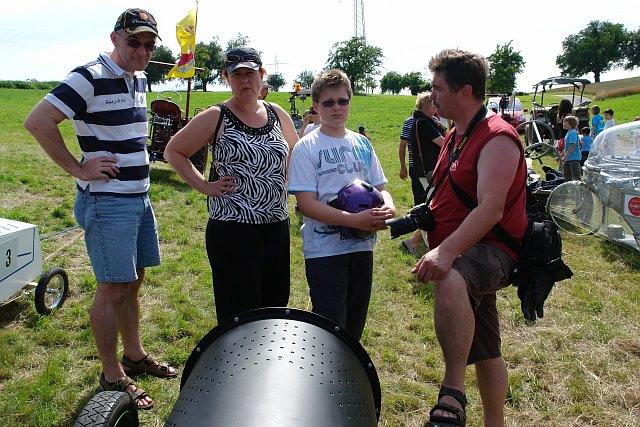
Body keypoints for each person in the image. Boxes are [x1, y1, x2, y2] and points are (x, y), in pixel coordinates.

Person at [23, 8, 174, 410]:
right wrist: (78, 168)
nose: (142, 51)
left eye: (149, 45)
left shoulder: (139, 77)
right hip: (108, 203)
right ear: (114, 38)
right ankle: (112, 374)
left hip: (138, 197)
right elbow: (38, 121)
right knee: (113, 287)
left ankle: (135, 356)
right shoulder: (88, 76)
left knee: (133, 280)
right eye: (134, 42)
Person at [412, 49, 527, 426]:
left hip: (492, 250)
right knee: (486, 349)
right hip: (467, 251)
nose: (432, 95)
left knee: (451, 279)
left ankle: (452, 392)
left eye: (438, 88)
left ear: (464, 91)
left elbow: (491, 209)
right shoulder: (456, 135)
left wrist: (445, 252)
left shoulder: (497, 137)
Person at [164, 47, 298, 324]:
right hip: (233, 229)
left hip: (276, 225)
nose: (244, 80)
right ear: (226, 78)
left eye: (250, 73)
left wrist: (289, 183)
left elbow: (296, 152)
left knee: (274, 303)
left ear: (262, 75)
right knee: (238, 310)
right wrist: (204, 185)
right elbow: (173, 151)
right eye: (236, 75)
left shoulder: (277, 113)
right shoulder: (217, 116)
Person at [288, 69, 396, 340]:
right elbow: (307, 205)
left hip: (362, 246)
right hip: (324, 251)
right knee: (329, 328)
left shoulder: (361, 143)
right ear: (316, 106)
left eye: (342, 101)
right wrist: (353, 219)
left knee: (354, 326)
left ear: (350, 101)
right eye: (328, 102)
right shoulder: (306, 147)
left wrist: (389, 207)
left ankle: (349, 368)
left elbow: (380, 187)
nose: (336, 108)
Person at [402, 92, 445, 258]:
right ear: (427, 105)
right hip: (428, 171)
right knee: (433, 209)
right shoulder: (424, 123)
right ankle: (418, 243)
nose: (436, 107)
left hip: (426, 171)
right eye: (434, 104)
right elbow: (444, 143)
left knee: (433, 207)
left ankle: (415, 241)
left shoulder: (421, 121)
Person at [561, 115, 581, 181]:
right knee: (567, 177)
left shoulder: (573, 133)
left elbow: (572, 146)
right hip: (568, 159)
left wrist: (565, 157)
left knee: (576, 177)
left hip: (574, 159)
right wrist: (561, 155)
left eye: (564, 122)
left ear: (570, 123)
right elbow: (567, 147)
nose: (563, 123)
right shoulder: (568, 133)